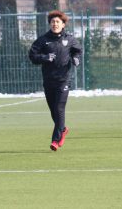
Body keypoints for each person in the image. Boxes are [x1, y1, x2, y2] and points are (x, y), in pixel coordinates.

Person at [29, 10, 82, 151]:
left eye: (58, 22)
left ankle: (55, 140)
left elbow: (77, 50)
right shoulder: (43, 40)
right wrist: (45, 58)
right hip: (48, 81)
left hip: (63, 80)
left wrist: (76, 59)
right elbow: (32, 55)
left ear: (63, 24)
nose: (55, 24)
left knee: (59, 108)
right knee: (54, 111)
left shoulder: (69, 39)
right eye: (53, 22)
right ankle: (63, 129)